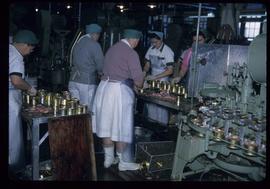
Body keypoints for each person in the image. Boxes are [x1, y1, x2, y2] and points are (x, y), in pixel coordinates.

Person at [92, 29, 144, 171]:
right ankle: (123, 162)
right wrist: (139, 82)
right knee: (121, 127)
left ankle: (108, 159)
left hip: (103, 90)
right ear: (135, 40)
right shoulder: (131, 53)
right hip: (118, 92)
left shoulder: (111, 49)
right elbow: (139, 81)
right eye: (137, 42)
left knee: (106, 126)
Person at [9, 30, 38, 172]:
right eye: (31, 47)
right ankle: (13, 168)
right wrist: (29, 88)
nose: (32, 50)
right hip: (9, 100)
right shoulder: (16, 56)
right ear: (25, 45)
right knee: (12, 135)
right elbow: (16, 80)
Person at [69, 23, 104, 113]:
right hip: (86, 83)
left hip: (73, 80)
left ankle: (74, 127)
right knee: (87, 111)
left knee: (74, 109)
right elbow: (101, 64)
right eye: (98, 35)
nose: (98, 37)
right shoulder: (94, 44)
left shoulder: (78, 43)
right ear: (94, 34)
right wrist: (101, 73)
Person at [143, 31, 174, 125]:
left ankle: (162, 127)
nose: (154, 44)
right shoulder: (151, 49)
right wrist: (144, 72)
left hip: (162, 79)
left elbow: (170, 70)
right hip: (152, 78)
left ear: (161, 40)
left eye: (156, 42)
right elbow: (147, 64)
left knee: (161, 106)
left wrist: (155, 77)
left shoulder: (167, 51)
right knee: (151, 103)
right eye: (152, 42)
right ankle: (152, 126)